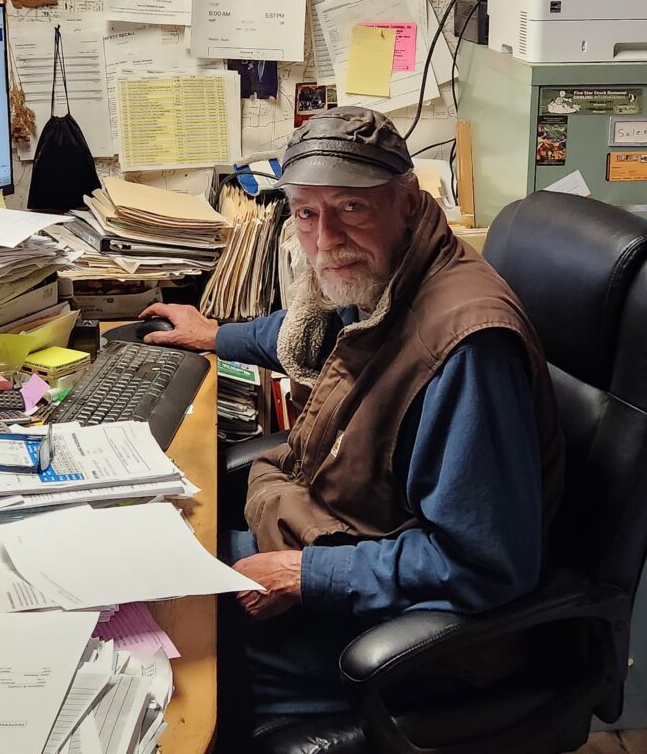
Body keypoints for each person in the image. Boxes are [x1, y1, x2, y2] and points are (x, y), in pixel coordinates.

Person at [140, 107, 565, 739]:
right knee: (158, 584)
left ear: (409, 203)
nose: (325, 239)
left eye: (352, 208)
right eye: (307, 213)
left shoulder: (469, 350)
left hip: (415, 638)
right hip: (344, 544)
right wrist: (216, 334)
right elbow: (312, 334)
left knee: (171, 659)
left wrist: (299, 574)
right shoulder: (388, 276)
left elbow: (485, 564)